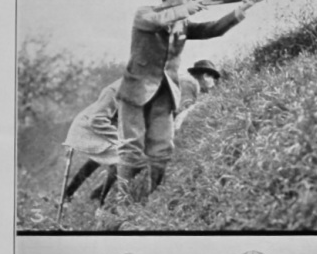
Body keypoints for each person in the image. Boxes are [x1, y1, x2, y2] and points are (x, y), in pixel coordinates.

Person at [116, 0, 255, 200]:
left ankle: (144, 201)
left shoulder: (183, 23)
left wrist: (241, 10)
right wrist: (187, 10)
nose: (188, 0)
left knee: (162, 151)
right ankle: (123, 201)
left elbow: (214, 29)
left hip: (165, 92)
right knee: (131, 149)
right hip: (136, 91)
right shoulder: (144, 13)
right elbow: (156, 22)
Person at [63, 59, 223, 206]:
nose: (214, 82)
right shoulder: (190, 84)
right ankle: (99, 197)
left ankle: (82, 193)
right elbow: (179, 110)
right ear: (203, 75)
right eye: (212, 76)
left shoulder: (182, 81)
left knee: (106, 154)